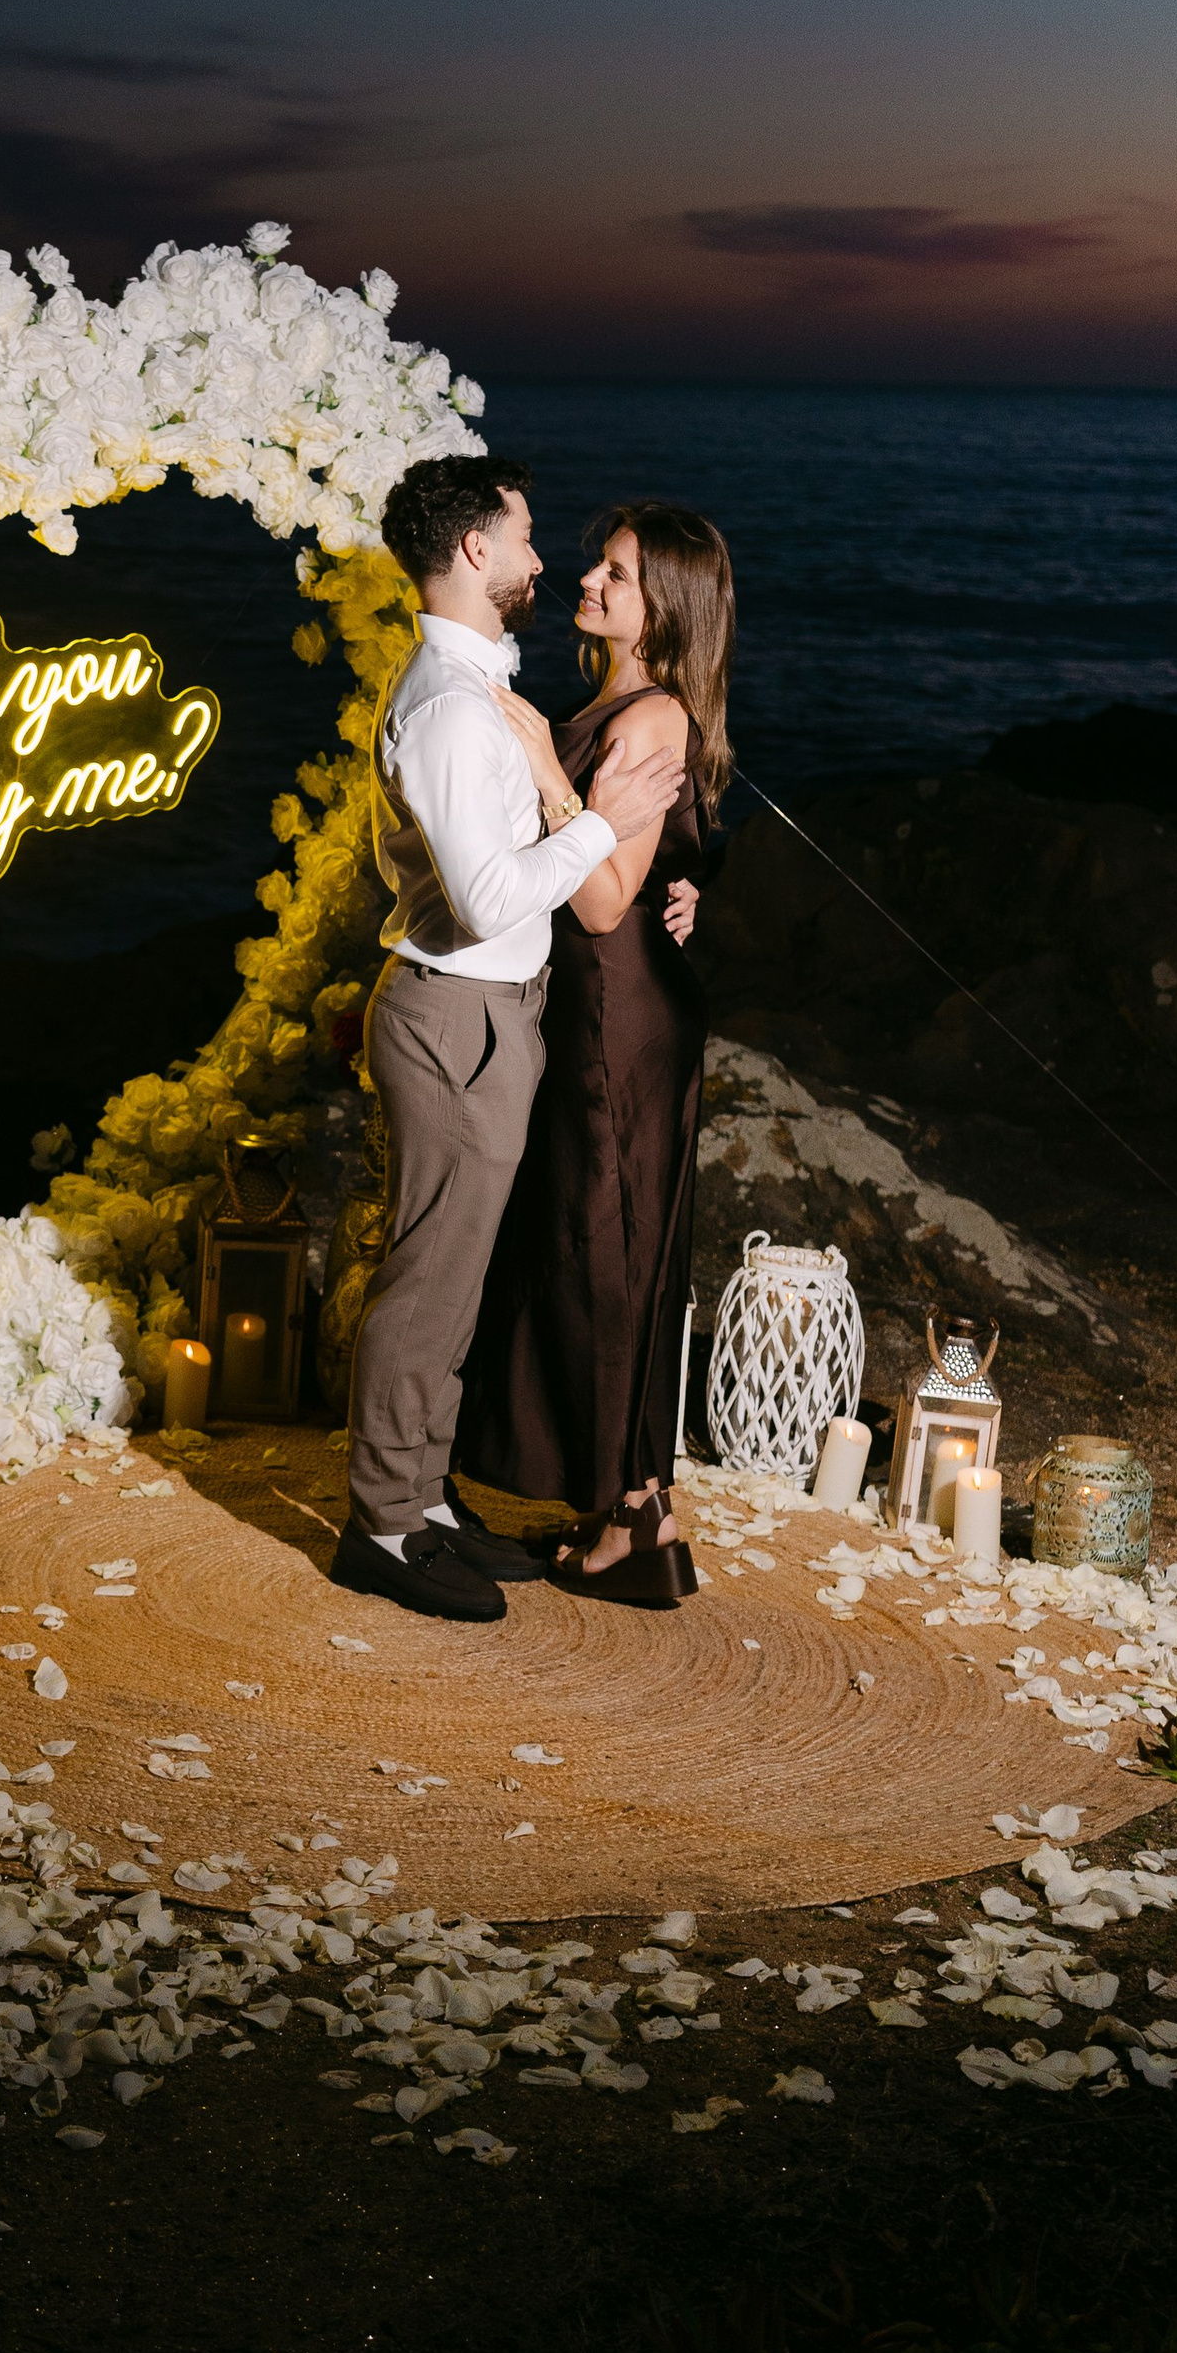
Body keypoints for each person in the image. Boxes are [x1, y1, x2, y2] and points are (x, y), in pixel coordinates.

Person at [332, 458, 689, 1622]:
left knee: (458, 1279)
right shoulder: (445, 705)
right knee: (427, 1284)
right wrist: (598, 829)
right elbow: (490, 901)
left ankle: (425, 1501)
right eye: (529, 538)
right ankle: (382, 1528)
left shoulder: (478, 686)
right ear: (475, 553)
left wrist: (655, 871)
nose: (546, 563)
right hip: (455, 1015)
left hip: (493, 1017)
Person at [453, 502, 734, 1607]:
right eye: (597, 564)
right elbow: (665, 862)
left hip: (616, 1018)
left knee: (603, 1251)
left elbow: (610, 897)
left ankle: (627, 1517)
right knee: (595, 1243)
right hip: (601, 1010)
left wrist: (539, 764)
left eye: (615, 573)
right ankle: (640, 1516)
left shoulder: (648, 719)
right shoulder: (627, 704)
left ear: (662, 607)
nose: (589, 580)